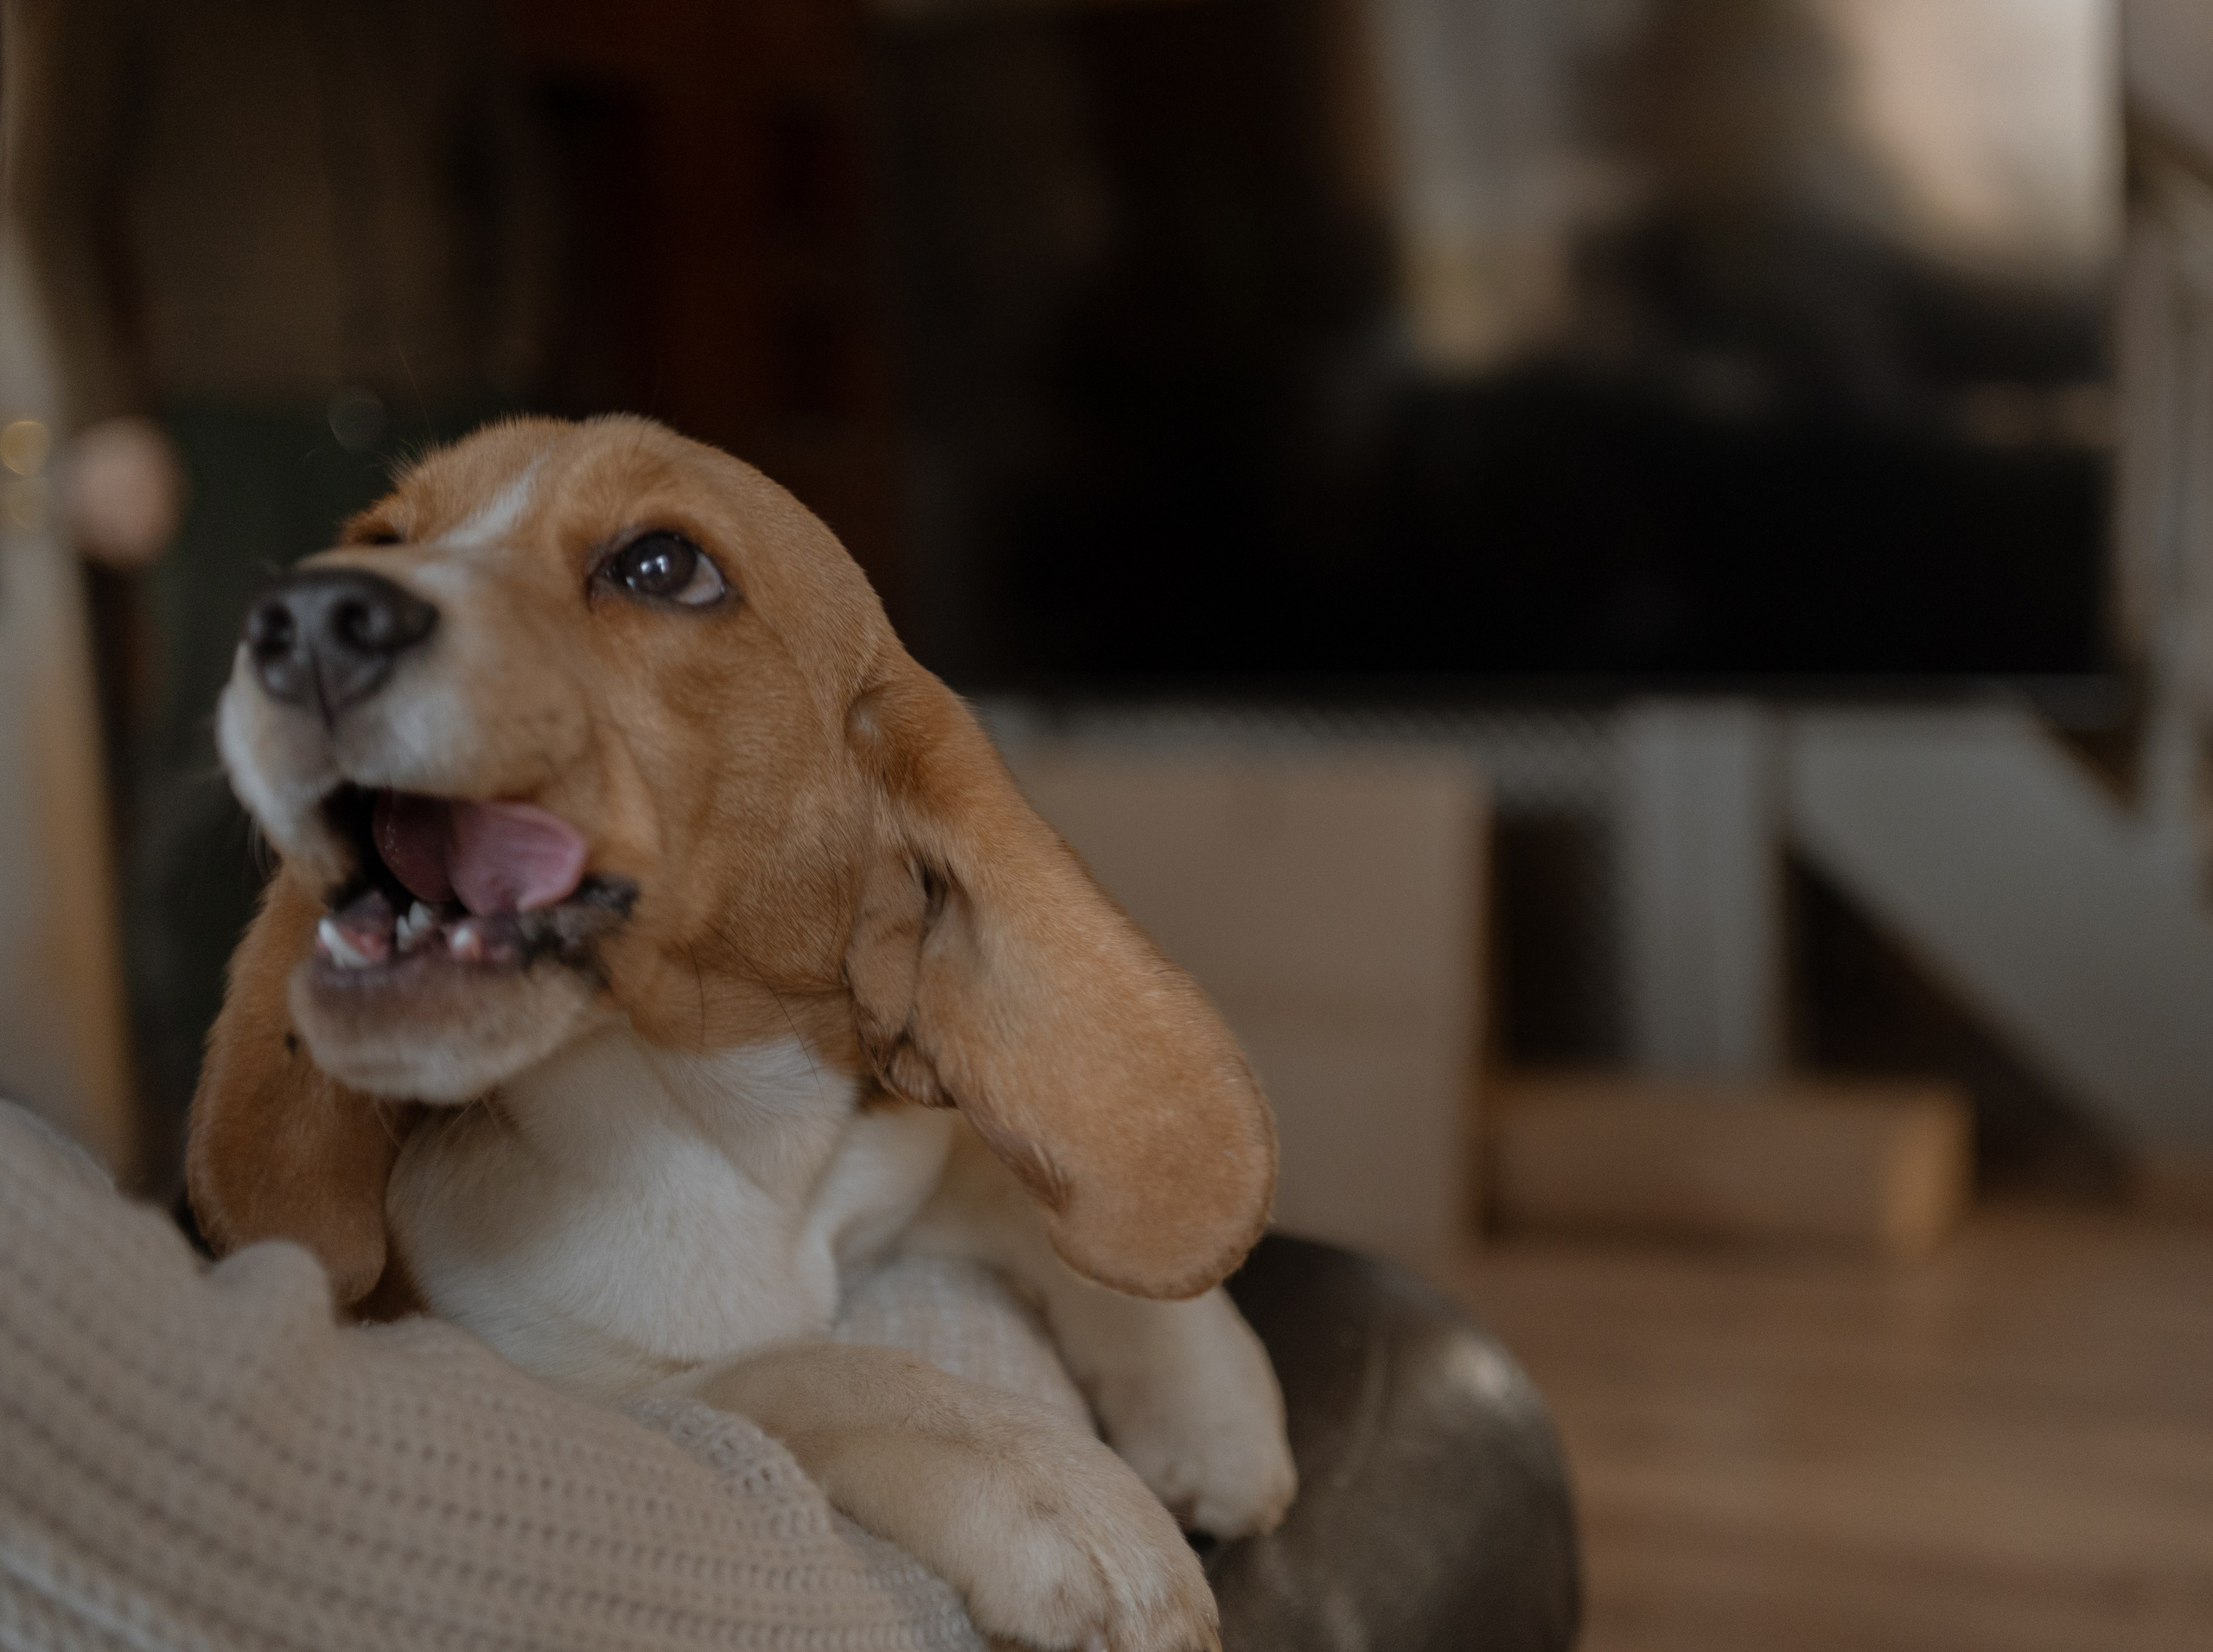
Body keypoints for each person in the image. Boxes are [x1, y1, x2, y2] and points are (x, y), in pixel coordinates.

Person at [6, 0, 560, 1179]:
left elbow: (510, 178)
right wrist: (102, 419)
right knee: (219, 786)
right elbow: (49, 194)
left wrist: (507, 388)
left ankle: (465, 1120)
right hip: (229, 428)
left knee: (464, 760)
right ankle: (220, 1147)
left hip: (436, 416)